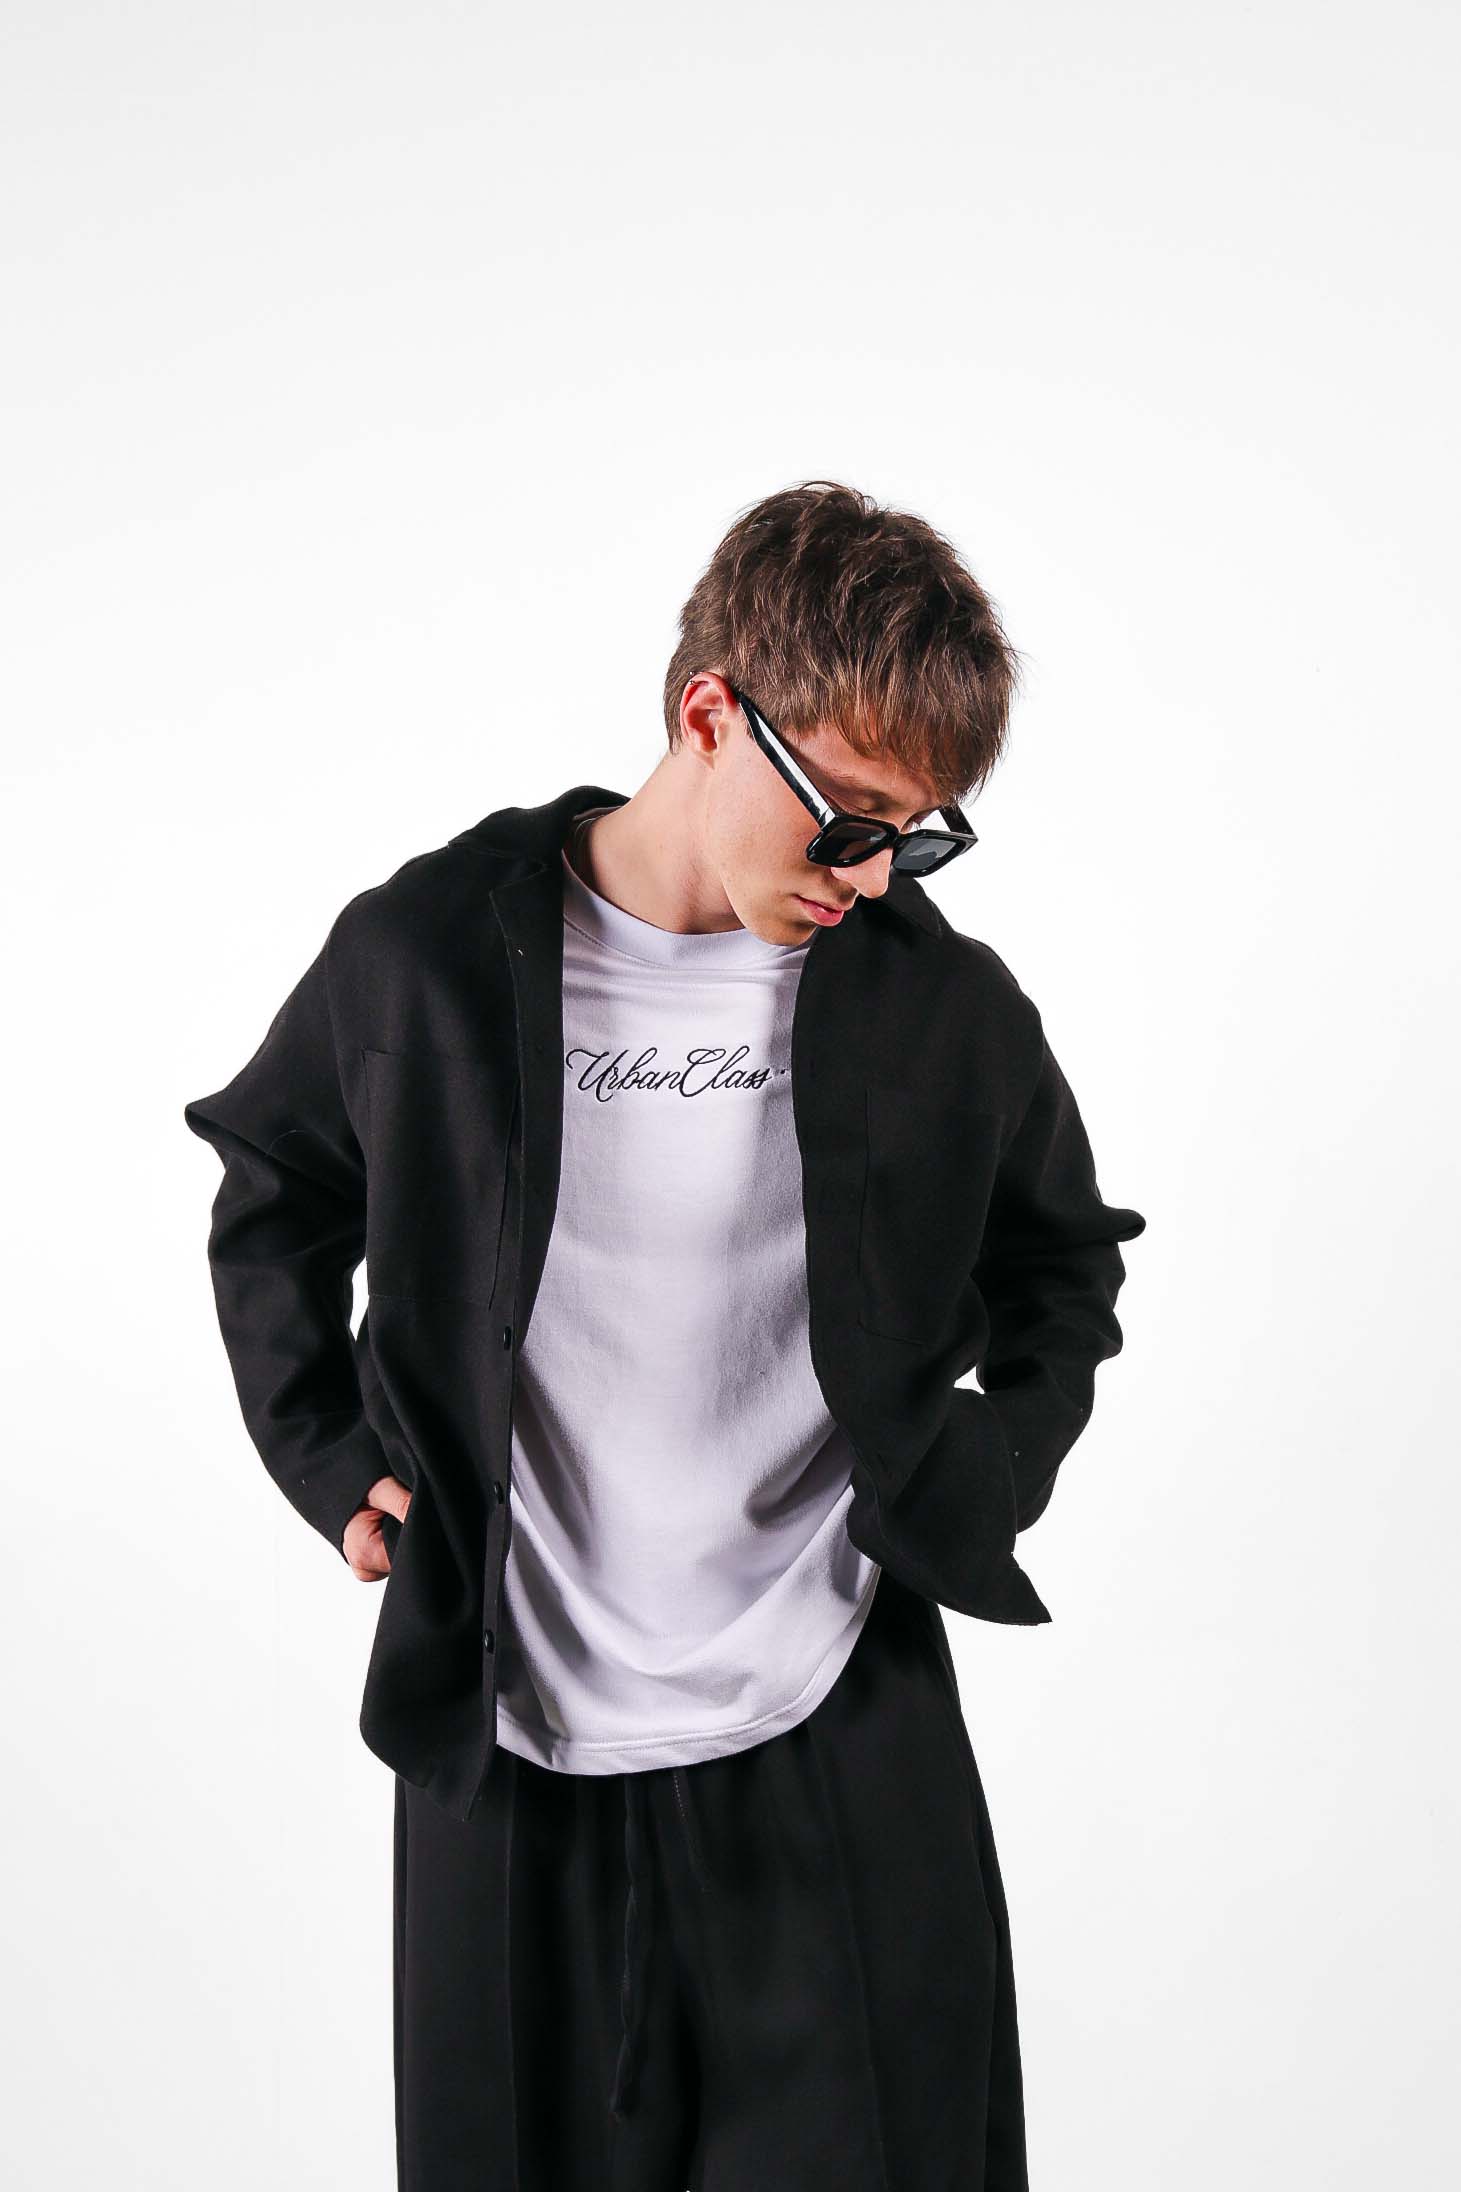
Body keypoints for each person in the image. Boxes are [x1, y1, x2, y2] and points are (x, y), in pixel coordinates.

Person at [184, 479, 1147, 2191]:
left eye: (914, 836)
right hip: (506, 1741)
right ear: (711, 713)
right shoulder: (426, 957)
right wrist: (329, 1461)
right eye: (848, 819)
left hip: (836, 1729)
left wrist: (988, 1466)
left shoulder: (939, 1005)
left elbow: (1063, 1259)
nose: (872, 872)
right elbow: (275, 1190)